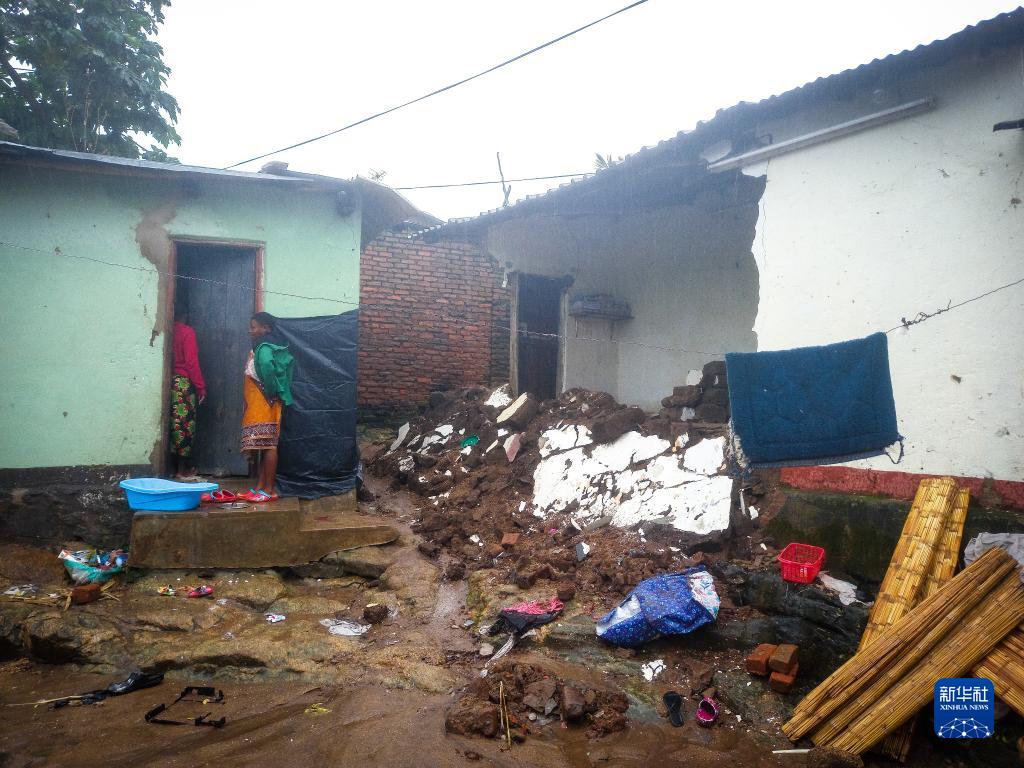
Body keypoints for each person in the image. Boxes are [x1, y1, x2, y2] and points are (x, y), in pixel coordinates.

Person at [240, 312, 294, 501]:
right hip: (264, 403)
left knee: (269, 446)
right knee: (265, 446)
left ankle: (269, 490)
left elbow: (267, 367)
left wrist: (270, 392)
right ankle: (260, 487)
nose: (250, 330)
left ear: (266, 328)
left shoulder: (264, 348)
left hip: (266, 403)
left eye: (253, 327)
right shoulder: (267, 346)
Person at [170, 305, 206, 479]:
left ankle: (172, 468)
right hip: (183, 383)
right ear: (185, 314)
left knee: (173, 425)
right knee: (184, 426)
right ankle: (182, 470)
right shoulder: (186, 332)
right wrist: (200, 387)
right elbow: (191, 362)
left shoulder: (168, 330)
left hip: (170, 382)